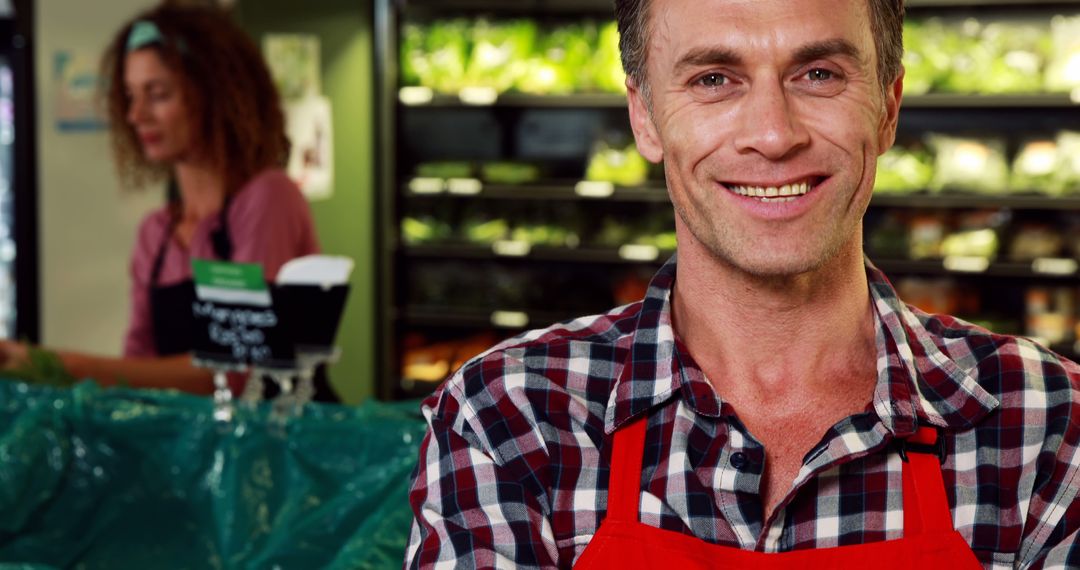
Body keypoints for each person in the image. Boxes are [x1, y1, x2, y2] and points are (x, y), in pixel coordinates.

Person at [404, 0, 1079, 567]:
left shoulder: (1046, 423)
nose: (773, 135)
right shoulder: (508, 418)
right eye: (714, 79)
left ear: (888, 106)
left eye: (818, 73)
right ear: (644, 117)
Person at [0, 3, 336, 400]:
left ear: (215, 93)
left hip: (277, 451)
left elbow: (243, 372)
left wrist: (66, 366)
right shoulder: (155, 234)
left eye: (157, 94)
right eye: (130, 95)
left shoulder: (267, 198)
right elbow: (137, 368)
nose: (136, 114)